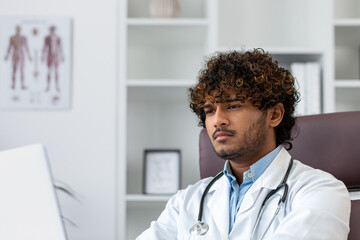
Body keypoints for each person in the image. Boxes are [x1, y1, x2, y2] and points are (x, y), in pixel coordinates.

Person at [137, 49, 350, 239]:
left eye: (234, 106)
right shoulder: (187, 202)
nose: (218, 120)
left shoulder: (321, 191)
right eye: (210, 110)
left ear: (274, 115)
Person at [4, 25, 32, 90]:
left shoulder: (24, 38)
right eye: (17, 29)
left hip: (21, 55)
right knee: (14, 70)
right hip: (15, 54)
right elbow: (9, 47)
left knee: (22, 70)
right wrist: (7, 56)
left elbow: (26, 47)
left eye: (19, 29)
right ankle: (13, 85)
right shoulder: (12, 38)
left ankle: (22, 85)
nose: (18, 30)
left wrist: (29, 56)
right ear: (16, 30)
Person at [41, 25, 64, 92]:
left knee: (56, 71)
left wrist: (62, 56)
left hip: (56, 56)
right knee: (49, 71)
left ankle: (57, 86)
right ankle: (48, 86)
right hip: (49, 55)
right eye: (51, 30)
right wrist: (42, 56)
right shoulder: (47, 38)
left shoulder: (58, 38)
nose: (52, 31)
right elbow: (44, 47)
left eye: (53, 30)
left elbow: (60, 47)